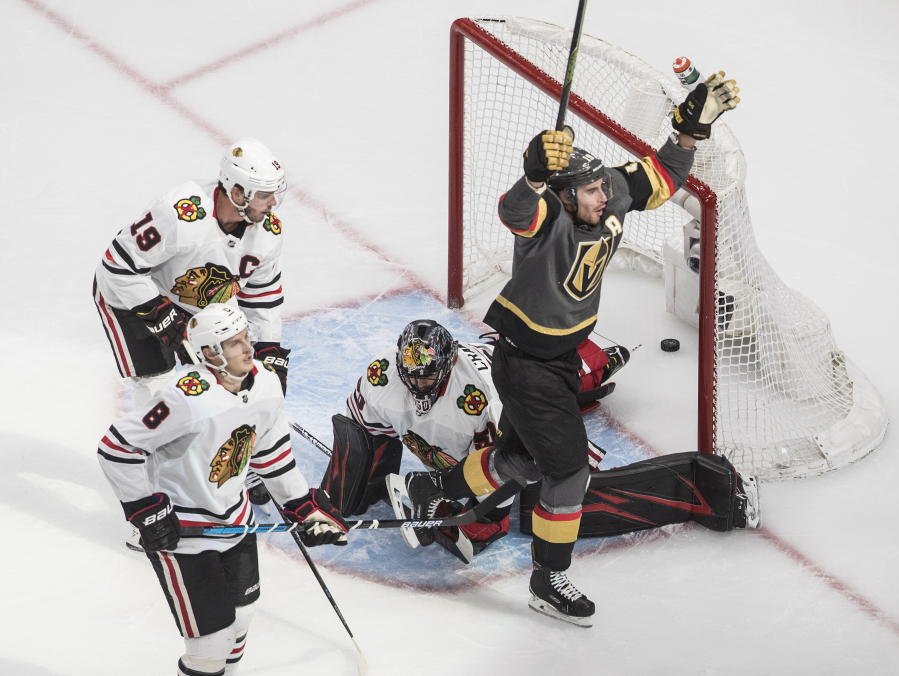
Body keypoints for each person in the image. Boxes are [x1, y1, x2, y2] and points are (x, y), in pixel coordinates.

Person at [399, 73, 744, 626]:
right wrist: (533, 173)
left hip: (559, 361)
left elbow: (661, 177)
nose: (604, 198)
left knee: (524, 458)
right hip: (527, 365)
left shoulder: (604, 190)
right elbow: (514, 211)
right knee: (567, 471)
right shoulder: (546, 220)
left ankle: (431, 487)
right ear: (564, 196)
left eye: (603, 189)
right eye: (590, 192)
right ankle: (547, 577)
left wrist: (690, 129)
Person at [97, 303, 346, 675]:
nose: (249, 349)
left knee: (241, 620)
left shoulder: (265, 382)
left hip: (237, 522)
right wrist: (146, 511)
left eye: (246, 338)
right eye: (235, 343)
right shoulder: (184, 398)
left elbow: (271, 452)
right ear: (210, 353)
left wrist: (301, 507)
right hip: (185, 536)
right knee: (211, 644)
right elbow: (117, 447)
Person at [320, 319, 630, 563]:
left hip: (519, 382)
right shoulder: (382, 375)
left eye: (427, 378)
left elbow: (506, 463)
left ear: (448, 365)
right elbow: (361, 427)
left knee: (563, 391)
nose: (418, 386)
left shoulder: (482, 399)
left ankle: (598, 362)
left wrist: (485, 516)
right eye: (411, 377)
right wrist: (360, 468)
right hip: (486, 358)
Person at [93, 138, 292, 404]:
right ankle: (148, 445)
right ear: (236, 193)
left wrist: (269, 348)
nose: (272, 203)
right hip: (129, 295)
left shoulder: (268, 233)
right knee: (158, 385)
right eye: (264, 195)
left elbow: (262, 295)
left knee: (227, 381)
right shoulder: (180, 213)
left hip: (195, 302)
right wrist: (163, 318)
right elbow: (117, 266)